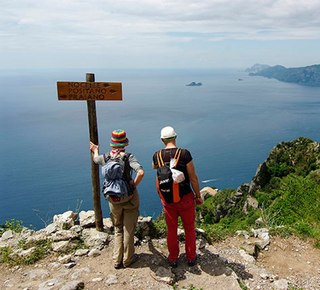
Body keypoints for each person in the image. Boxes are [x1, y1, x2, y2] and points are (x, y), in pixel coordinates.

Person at [90, 129, 144, 269]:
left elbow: (96, 159)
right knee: (128, 229)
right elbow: (140, 172)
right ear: (125, 143)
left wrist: (95, 149)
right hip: (129, 198)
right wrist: (133, 183)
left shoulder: (106, 157)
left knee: (117, 228)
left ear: (112, 143)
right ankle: (128, 259)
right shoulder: (128, 157)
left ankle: (116, 260)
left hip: (113, 199)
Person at [152, 126, 203, 268]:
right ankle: (191, 257)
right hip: (186, 197)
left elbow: (155, 170)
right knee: (189, 228)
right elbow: (193, 178)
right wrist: (198, 196)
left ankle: (173, 258)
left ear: (162, 140)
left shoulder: (157, 155)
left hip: (168, 200)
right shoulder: (185, 154)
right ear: (175, 137)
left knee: (171, 229)